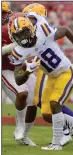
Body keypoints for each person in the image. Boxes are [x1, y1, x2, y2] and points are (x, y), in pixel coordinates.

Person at [8, 11, 73, 150]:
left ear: (31, 29)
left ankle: (56, 144)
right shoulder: (18, 51)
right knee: (48, 114)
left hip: (66, 71)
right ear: (13, 37)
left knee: (55, 105)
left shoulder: (43, 30)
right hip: (52, 77)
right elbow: (18, 80)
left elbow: (65, 30)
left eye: (24, 33)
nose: (23, 39)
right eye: (18, 36)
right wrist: (27, 72)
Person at [2, 2, 36, 146]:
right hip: (4, 69)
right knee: (22, 93)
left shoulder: (19, 25)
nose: (2, 16)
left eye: (3, 13)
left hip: (17, 67)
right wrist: (13, 45)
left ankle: (24, 135)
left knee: (34, 99)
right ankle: (20, 126)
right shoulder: (4, 31)